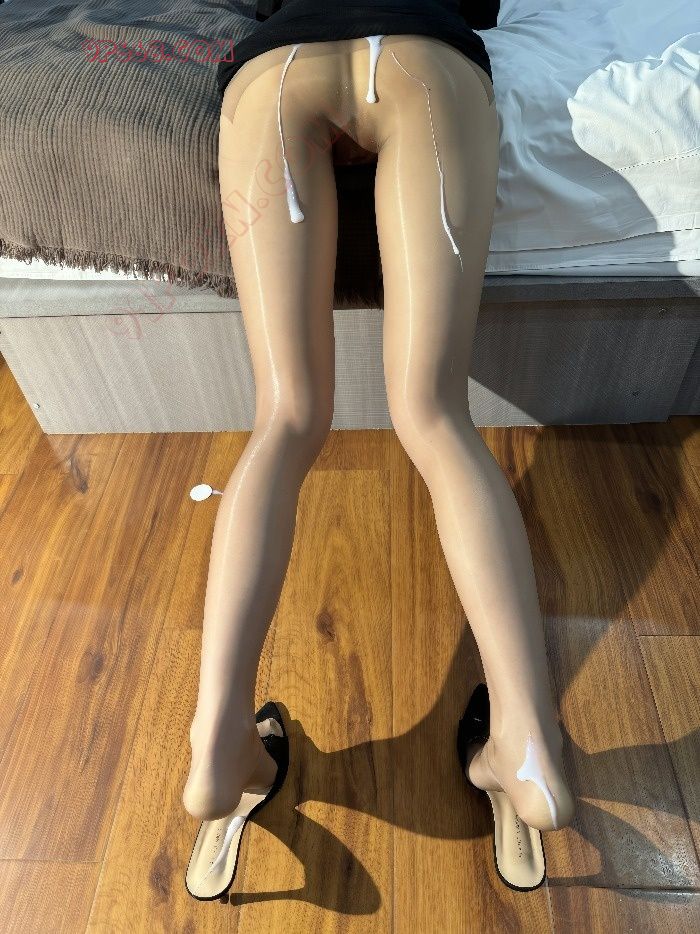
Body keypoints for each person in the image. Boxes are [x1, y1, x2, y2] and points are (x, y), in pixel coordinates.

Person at [183, 0, 575, 898]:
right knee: (435, 415)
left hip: (279, 67)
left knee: (285, 418)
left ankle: (219, 734)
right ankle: (524, 738)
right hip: (421, 59)